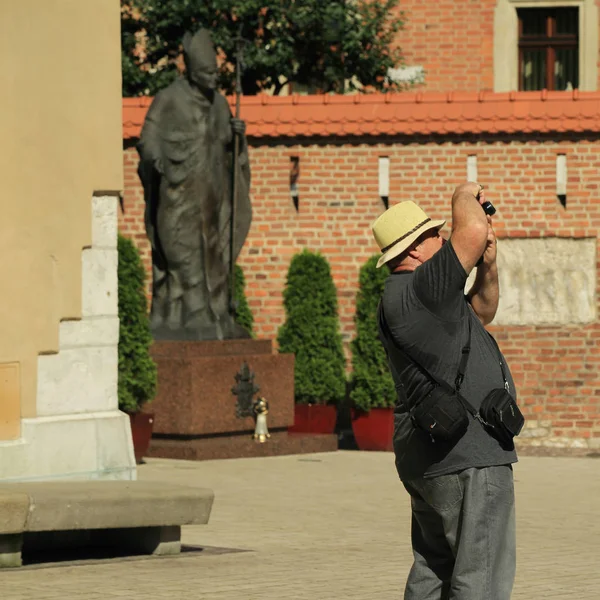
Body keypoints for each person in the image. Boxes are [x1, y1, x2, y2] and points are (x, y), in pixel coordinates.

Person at [371, 183, 518, 600]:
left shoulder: (414, 297)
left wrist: (487, 267)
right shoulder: (421, 287)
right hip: (469, 455)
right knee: (482, 577)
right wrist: (463, 193)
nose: (442, 239)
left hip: (432, 456)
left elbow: (482, 310)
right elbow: (469, 230)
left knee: (434, 571)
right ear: (415, 249)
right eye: (434, 234)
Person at [137, 28, 252, 341]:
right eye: (206, 73)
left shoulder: (220, 104)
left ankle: (220, 318)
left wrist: (237, 137)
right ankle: (193, 319)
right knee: (184, 256)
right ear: (190, 70)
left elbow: (227, 150)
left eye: (216, 72)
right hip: (178, 198)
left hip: (213, 201)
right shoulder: (169, 99)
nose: (213, 78)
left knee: (215, 258)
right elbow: (147, 140)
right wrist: (156, 158)